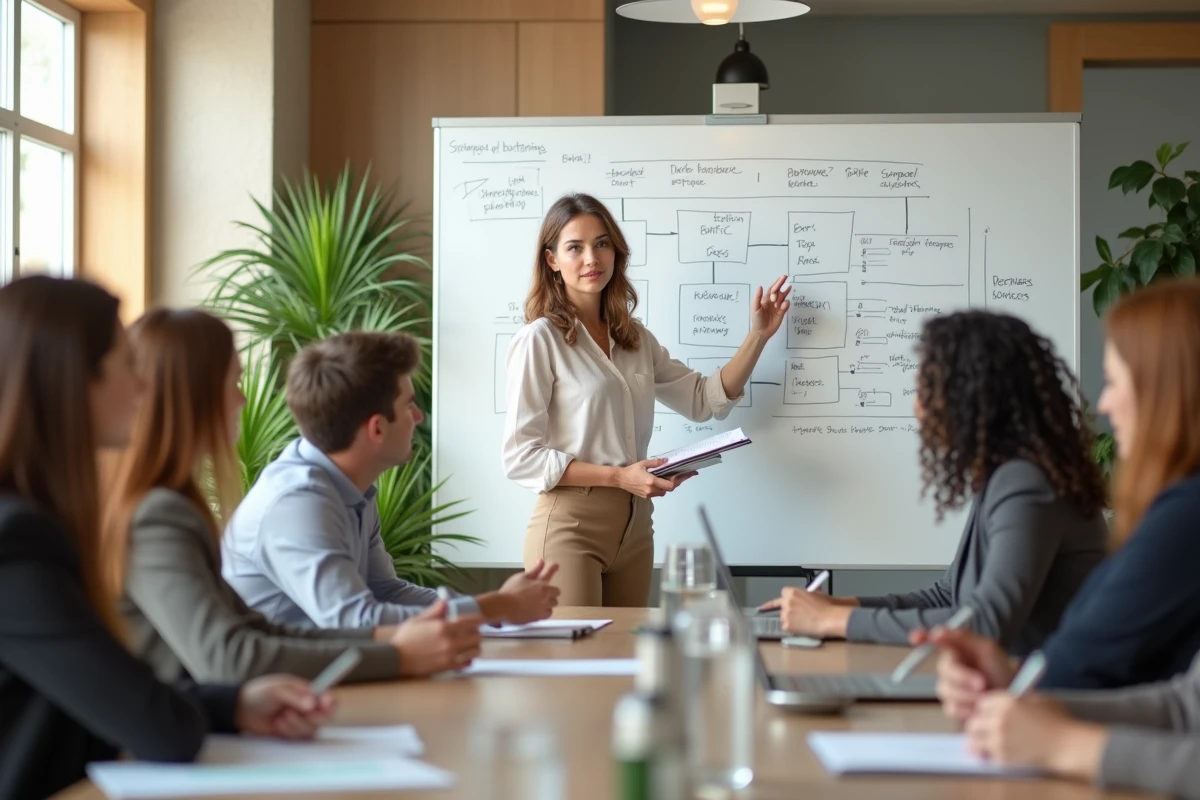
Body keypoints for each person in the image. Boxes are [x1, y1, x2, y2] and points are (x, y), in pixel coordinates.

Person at [0, 277, 333, 800]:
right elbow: (159, 727)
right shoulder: (15, 543)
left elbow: (118, 693)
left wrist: (233, 706)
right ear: (73, 381)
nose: (141, 386)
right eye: (126, 364)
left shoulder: (42, 521)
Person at [912, 280, 1200, 799]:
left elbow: (1073, 664)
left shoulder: (1186, 515)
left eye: (1114, 381)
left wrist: (1065, 743)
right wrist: (1015, 681)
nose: (1105, 405)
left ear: (1167, 393)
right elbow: (1187, 707)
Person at [103, 309, 483, 685]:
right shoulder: (160, 514)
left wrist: (403, 643)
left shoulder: (173, 503)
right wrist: (400, 654)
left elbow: (261, 632)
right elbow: (229, 657)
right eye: (234, 384)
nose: (243, 401)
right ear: (194, 398)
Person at [502, 193, 791, 607]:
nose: (591, 258)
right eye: (575, 247)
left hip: (636, 527)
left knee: (625, 667)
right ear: (551, 260)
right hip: (570, 525)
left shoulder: (634, 338)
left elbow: (703, 399)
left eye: (602, 243)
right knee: (576, 668)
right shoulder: (539, 340)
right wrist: (620, 477)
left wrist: (759, 336)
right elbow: (521, 457)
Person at [761, 311, 1108, 653]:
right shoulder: (1007, 474)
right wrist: (837, 605)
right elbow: (948, 595)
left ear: (972, 396)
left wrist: (830, 621)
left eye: (927, 387)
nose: (917, 406)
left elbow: (985, 625)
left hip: (1042, 697)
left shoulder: (1027, 482)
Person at [223, 330, 560, 628]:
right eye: (409, 405)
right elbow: (356, 621)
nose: (418, 416)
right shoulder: (297, 503)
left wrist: (497, 608)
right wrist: (496, 606)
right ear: (377, 428)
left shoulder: (350, 486)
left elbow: (386, 591)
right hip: (286, 690)